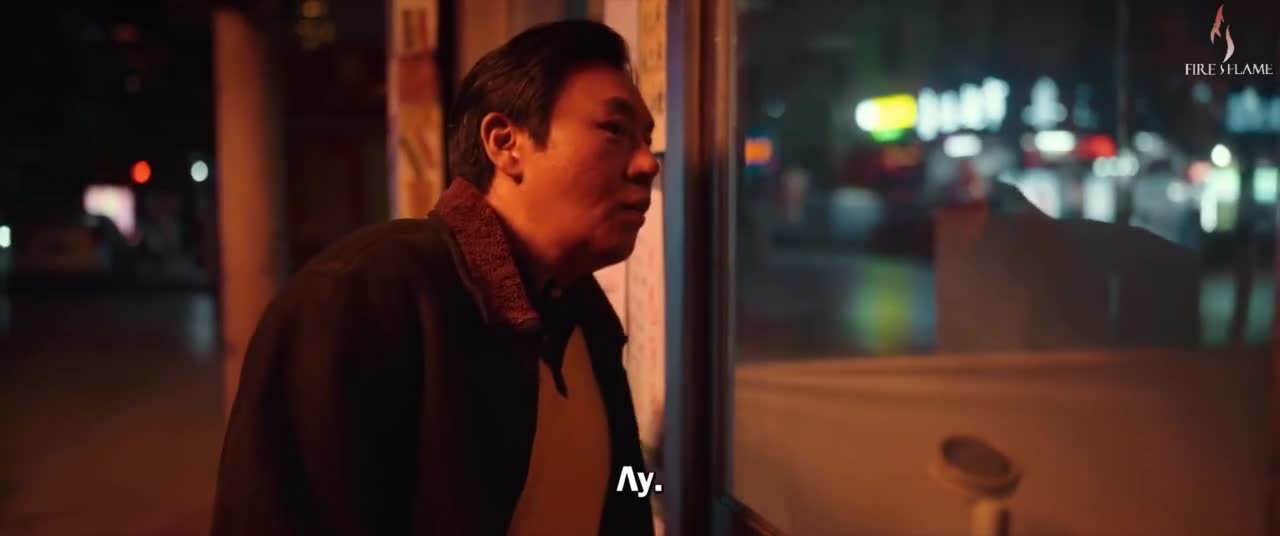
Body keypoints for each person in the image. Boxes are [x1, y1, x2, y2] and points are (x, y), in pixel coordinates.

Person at [210, 19, 660, 535]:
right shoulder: (361, 296)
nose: (647, 163)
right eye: (615, 130)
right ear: (504, 142)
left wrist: (662, 484)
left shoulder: (587, 319)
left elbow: (622, 481)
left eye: (647, 139)